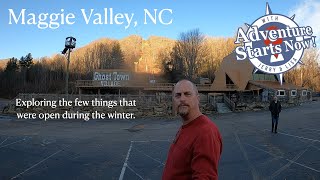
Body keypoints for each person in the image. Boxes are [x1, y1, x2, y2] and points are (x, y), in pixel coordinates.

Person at [162, 79, 223, 180]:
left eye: (187, 94)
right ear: (173, 100)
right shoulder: (186, 126)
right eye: (178, 95)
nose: (182, 99)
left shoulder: (205, 132)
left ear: (198, 99)